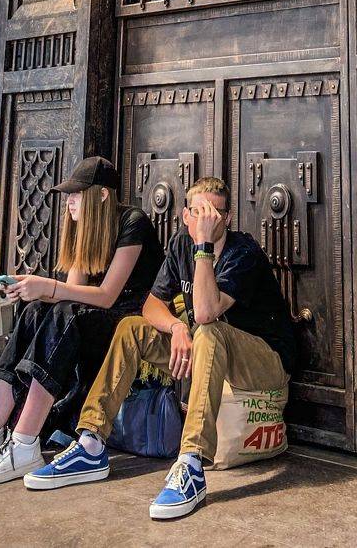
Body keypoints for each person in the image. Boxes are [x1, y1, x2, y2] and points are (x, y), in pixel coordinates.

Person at [23, 175, 297, 520]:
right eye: (199, 212)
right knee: (132, 328)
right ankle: (91, 443)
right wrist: (177, 326)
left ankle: (191, 462)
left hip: (264, 361)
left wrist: (203, 246)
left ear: (227, 218)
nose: (207, 219)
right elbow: (152, 305)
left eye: (215, 213)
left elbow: (207, 312)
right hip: (207, 352)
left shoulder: (243, 252)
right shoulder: (181, 244)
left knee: (208, 331)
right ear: (185, 216)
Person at [0, 155, 161, 484]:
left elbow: (107, 296)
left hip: (131, 321)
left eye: (76, 194)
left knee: (62, 312)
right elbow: (73, 292)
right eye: (69, 195)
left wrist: (47, 286)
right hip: (93, 318)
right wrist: (30, 289)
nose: (70, 201)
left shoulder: (133, 222)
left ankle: (24, 441)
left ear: (102, 195)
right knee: (36, 310)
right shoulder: (85, 227)